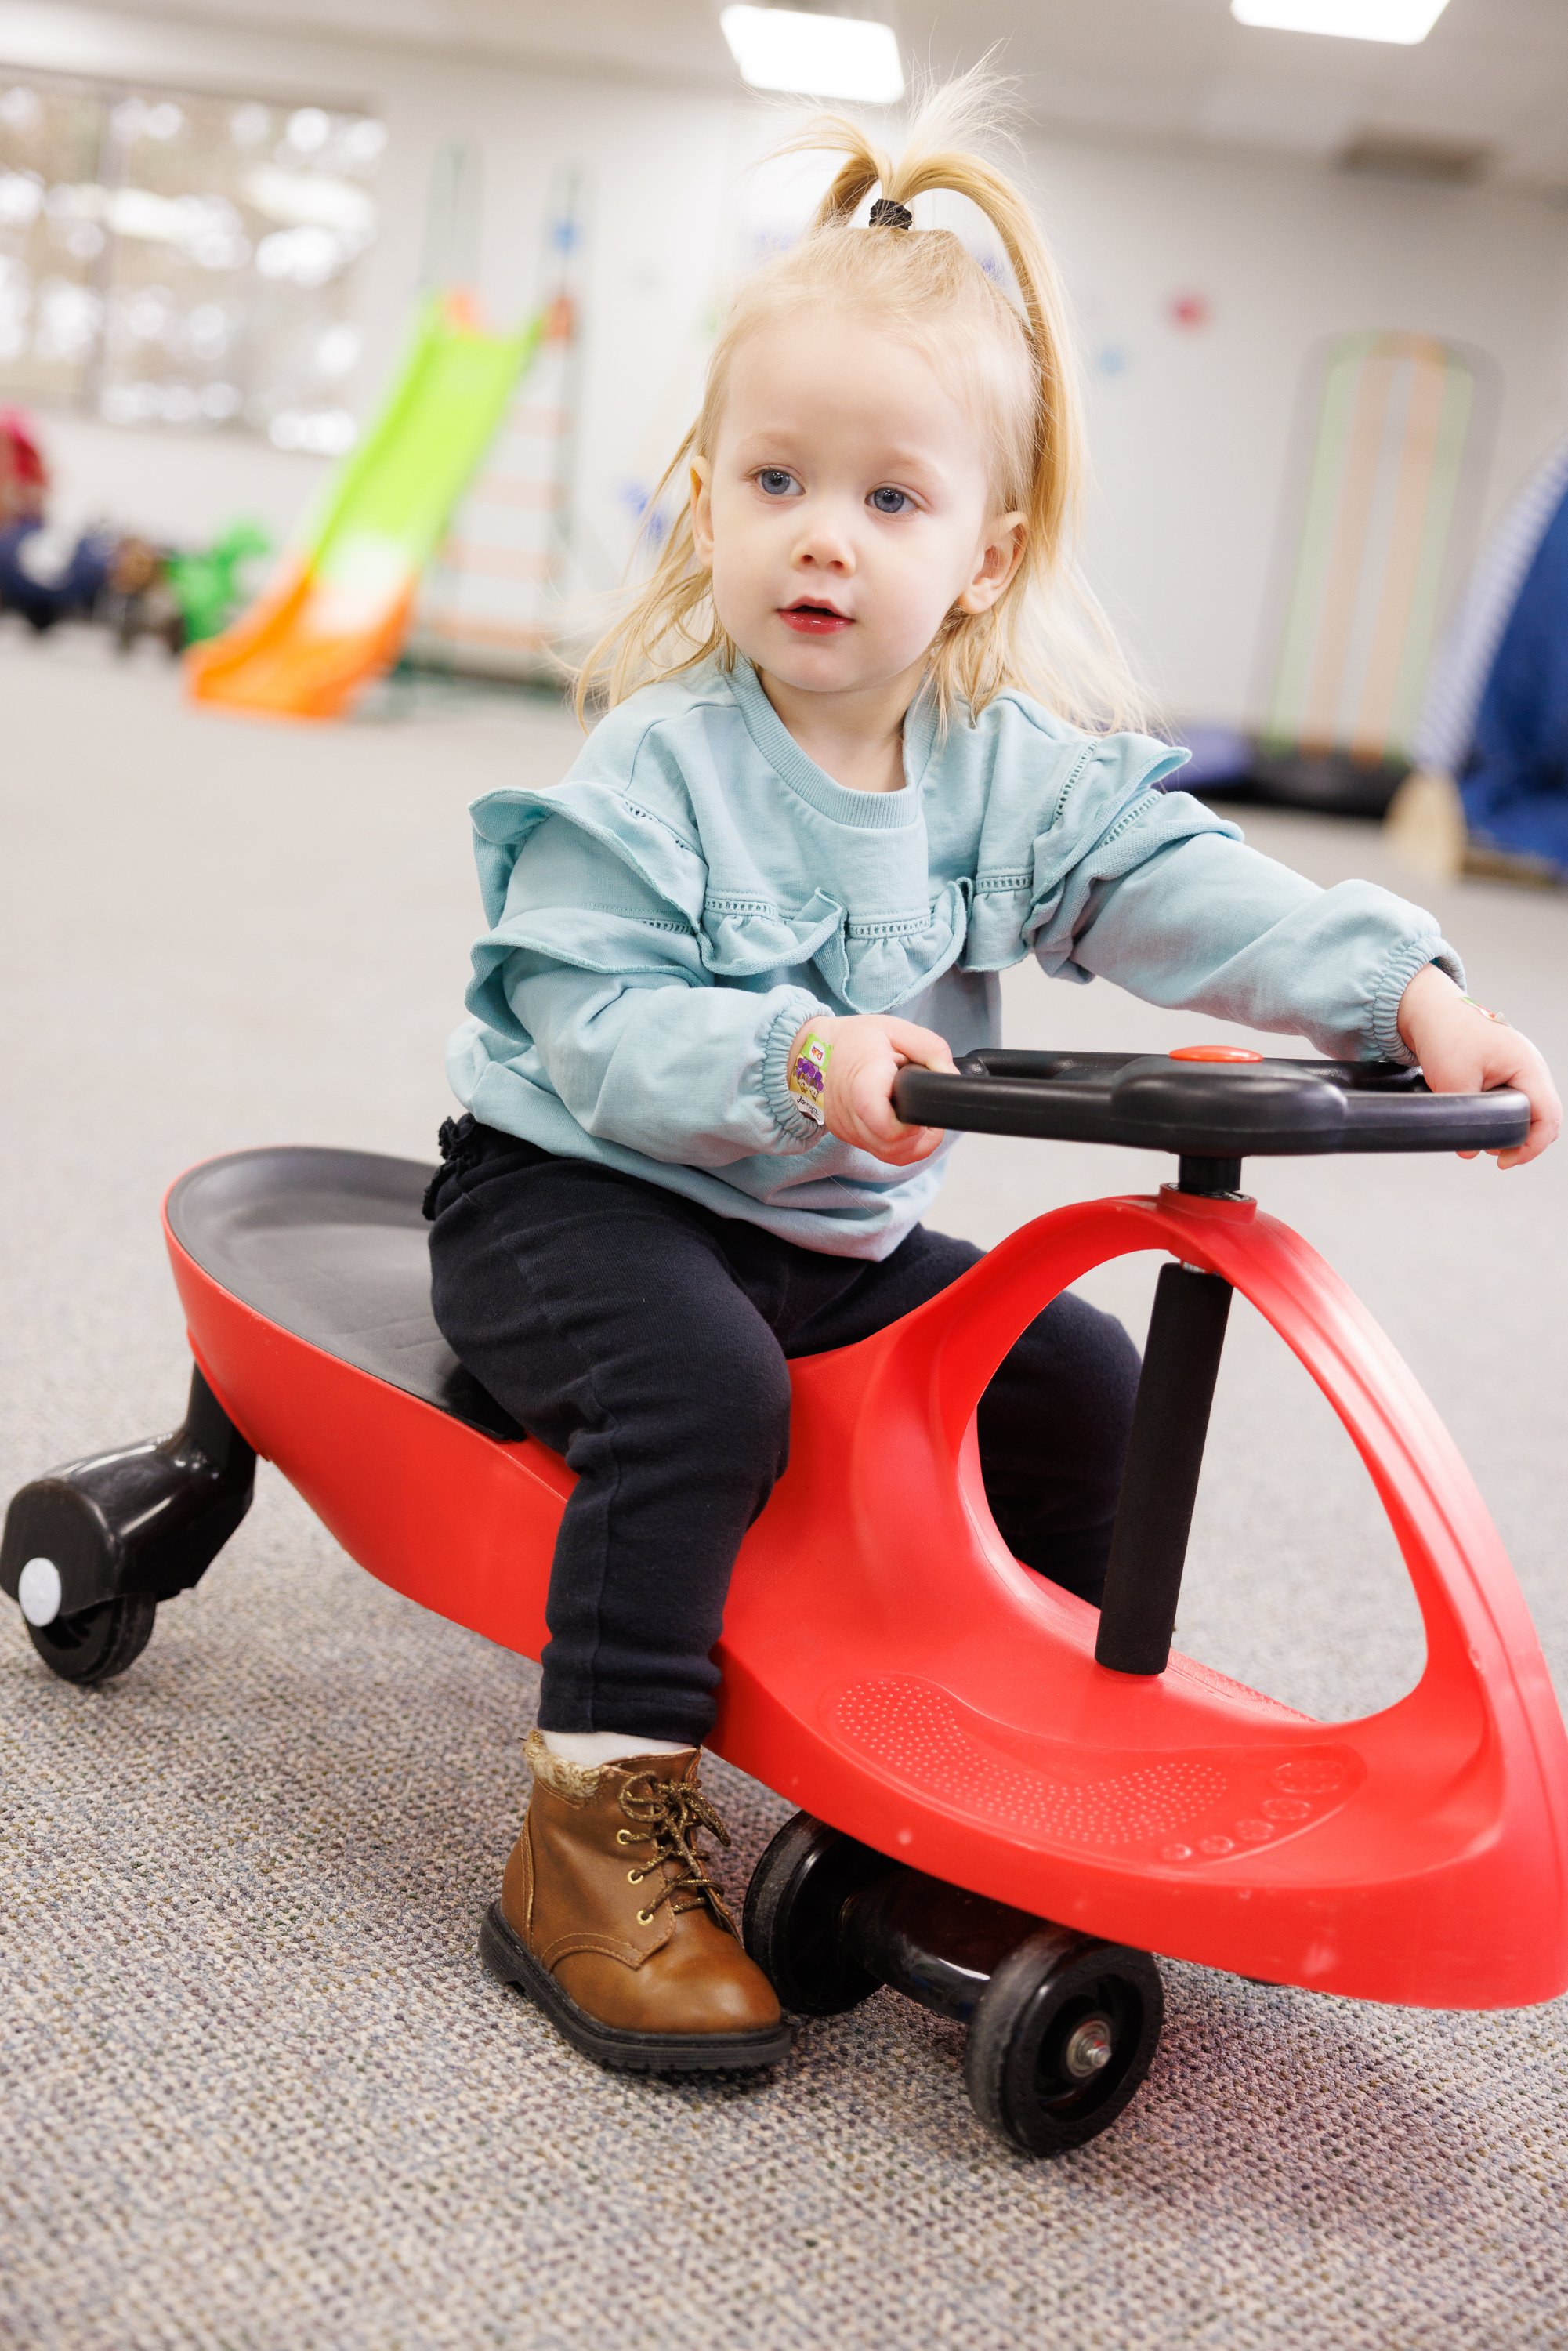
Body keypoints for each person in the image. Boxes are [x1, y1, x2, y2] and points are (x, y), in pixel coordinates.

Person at [423, 80, 1560, 2074]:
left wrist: (1399, 997)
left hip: (825, 1239)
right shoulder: (661, 761)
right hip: (572, 1201)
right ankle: (590, 1838)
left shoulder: (1000, 768)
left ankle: (992, 1784)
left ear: (980, 553)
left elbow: (1173, 884)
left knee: (1076, 1383)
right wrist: (797, 1054)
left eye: (890, 500)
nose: (822, 536)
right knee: (697, 1394)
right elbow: (592, 1027)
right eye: (775, 479)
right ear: (704, 498)